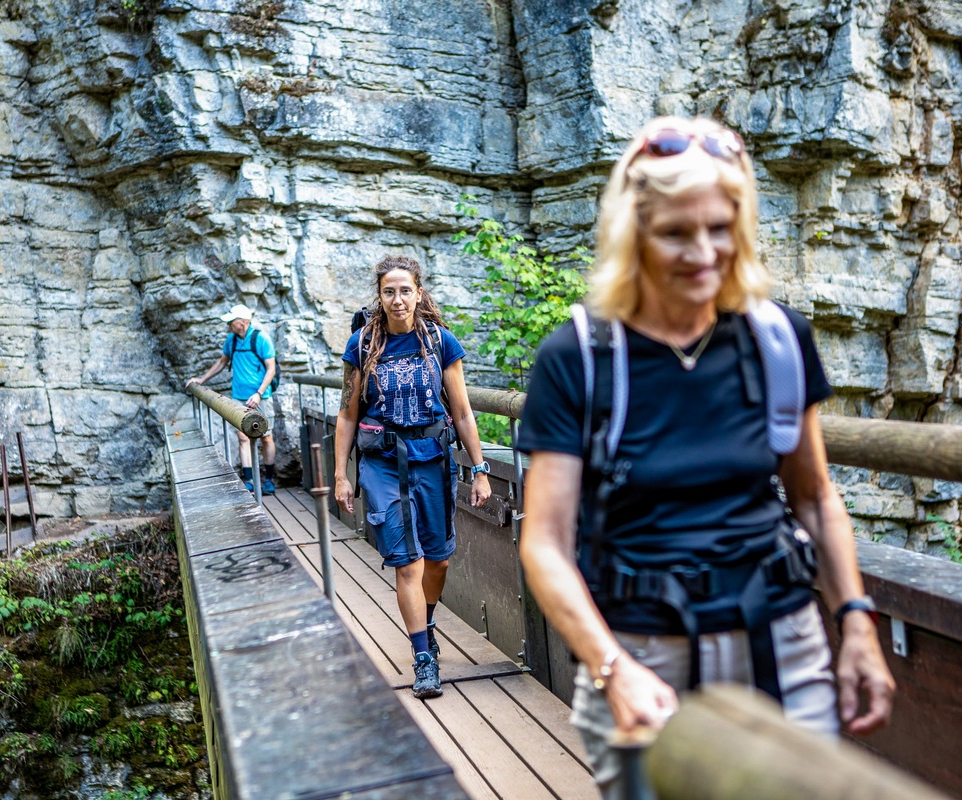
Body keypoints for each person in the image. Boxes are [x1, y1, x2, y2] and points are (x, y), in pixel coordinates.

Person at [515, 117, 895, 797]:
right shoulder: (580, 359)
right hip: (639, 652)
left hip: (783, 640)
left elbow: (812, 497)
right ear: (634, 235)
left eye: (720, 228)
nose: (703, 252)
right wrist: (611, 670)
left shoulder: (775, 341)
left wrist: (857, 621)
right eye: (675, 234)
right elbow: (544, 542)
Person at [334, 254, 492, 699]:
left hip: (433, 457)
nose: (398, 298)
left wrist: (479, 470)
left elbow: (461, 410)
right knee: (408, 561)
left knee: (438, 560)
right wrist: (341, 475)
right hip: (383, 462)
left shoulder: (440, 341)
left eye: (405, 290)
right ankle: (423, 657)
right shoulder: (362, 346)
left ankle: (426, 618)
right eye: (389, 291)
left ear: (418, 293)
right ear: (379, 297)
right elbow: (346, 416)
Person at [187, 303, 278, 495]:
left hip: (261, 396)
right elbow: (222, 362)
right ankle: (250, 481)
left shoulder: (261, 338)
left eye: (232, 321)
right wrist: (201, 380)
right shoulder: (232, 340)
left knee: (266, 437)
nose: (228, 325)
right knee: (243, 436)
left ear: (243, 322)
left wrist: (259, 393)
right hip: (239, 396)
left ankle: (269, 480)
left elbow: (271, 368)